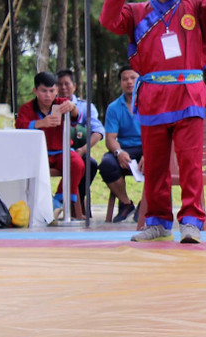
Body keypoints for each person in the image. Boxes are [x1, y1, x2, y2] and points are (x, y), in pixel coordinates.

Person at [100, 0, 206, 244]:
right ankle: (158, 222)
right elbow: (109, 20)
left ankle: (191, 222)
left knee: (190, 164)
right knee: (156, 165)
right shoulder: (136, 12)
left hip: (189, 95)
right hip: (152, 97)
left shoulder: (197, 6)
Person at [16, 71, 84, 218]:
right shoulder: (26, 108)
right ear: (35, 91)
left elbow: (76, 119)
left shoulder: (62, 104)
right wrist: (41, 123)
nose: (48, 95)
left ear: (57, 91)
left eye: (52, 91)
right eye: (43, 91)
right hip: (37, 155)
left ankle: (57, 201)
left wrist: (73, 108)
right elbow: (19, 126)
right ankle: (34, 207)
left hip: (61, 152)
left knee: (77, 163)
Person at [100, 66, 143, 223]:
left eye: (133, 78)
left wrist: (150, 153)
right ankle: (126, 203)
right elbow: (110, 138)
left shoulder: (150, 102)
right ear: (120, 83)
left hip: (148, 147)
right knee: (107, 164)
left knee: (159, 164)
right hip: (125, 149)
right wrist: (119, 152)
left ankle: (145, 204)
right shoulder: (114, 107)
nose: (129, 82)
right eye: (125, 79)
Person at [56, 69, 103, 213]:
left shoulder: (86, 106)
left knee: (90, 164)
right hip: (56, 152)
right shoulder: (50, 106)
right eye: (60, 84)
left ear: (74, 86)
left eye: (67, 84)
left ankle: (77, 200)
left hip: (78, 151)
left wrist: (82, 150)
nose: (63, 88)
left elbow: (99, 131)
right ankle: (60, 201)